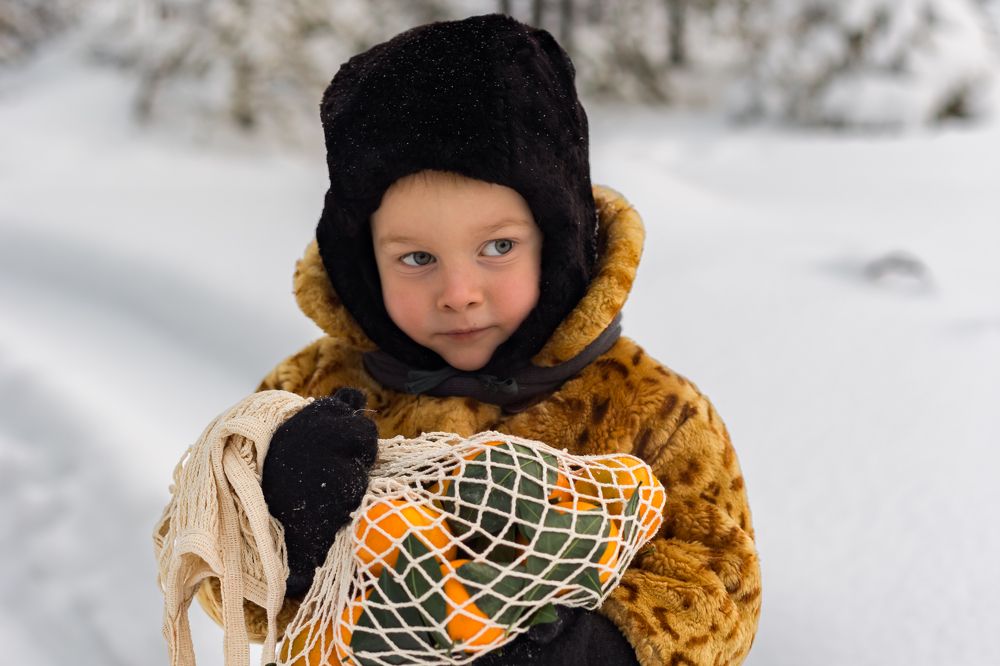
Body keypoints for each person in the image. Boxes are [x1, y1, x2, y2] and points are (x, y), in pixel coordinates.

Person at [195, 13, 760, 666]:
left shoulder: (654, 411)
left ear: (557, 239)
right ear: (363, 259)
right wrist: (287, 520)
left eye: (497, 247)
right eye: (417, 258)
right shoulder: (310, 396)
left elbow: (721, 589)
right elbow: (223, 586)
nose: (459, 292)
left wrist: (587, 650)